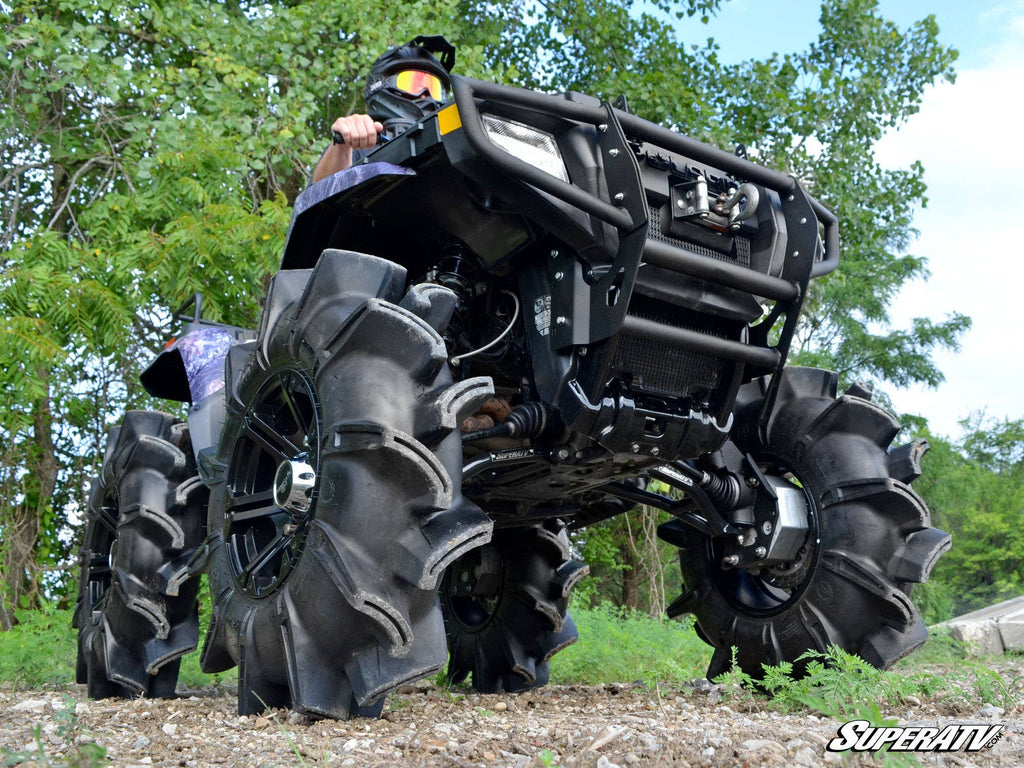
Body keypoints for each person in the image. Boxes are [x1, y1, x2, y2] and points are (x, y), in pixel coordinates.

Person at [312, 35, 456, 183]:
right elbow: (318, 195)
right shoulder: (360, 144)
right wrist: (342, 147)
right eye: (413, 83)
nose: (425, 95)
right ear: (383, 83)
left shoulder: (449, 149)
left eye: (435, 89)